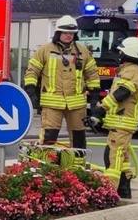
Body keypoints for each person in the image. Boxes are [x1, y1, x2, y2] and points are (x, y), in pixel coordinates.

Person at [23, 15, 101, 152]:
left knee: (79, 140)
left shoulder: (83, 52)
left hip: (76, 104)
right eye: (65, 32)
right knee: (49, 139)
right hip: (52, 103)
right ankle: (47, 168)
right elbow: (32, 71)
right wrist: (31, 91)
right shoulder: (45, 50)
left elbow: (92, 75)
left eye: (71, 33)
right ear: (58, 32)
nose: (68, 36)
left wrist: (94, 99)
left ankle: (77, 168)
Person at [93, 37, 138, 199]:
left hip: (123, 122)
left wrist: (102, 108)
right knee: (122, 158)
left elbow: (122, 93)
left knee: (113, 157)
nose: (119, 54)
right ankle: (124, 190)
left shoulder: (132, 71)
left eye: (121, 52)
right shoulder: (128, 70)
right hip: (119, 122)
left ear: (128, 54)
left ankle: (109, 193)